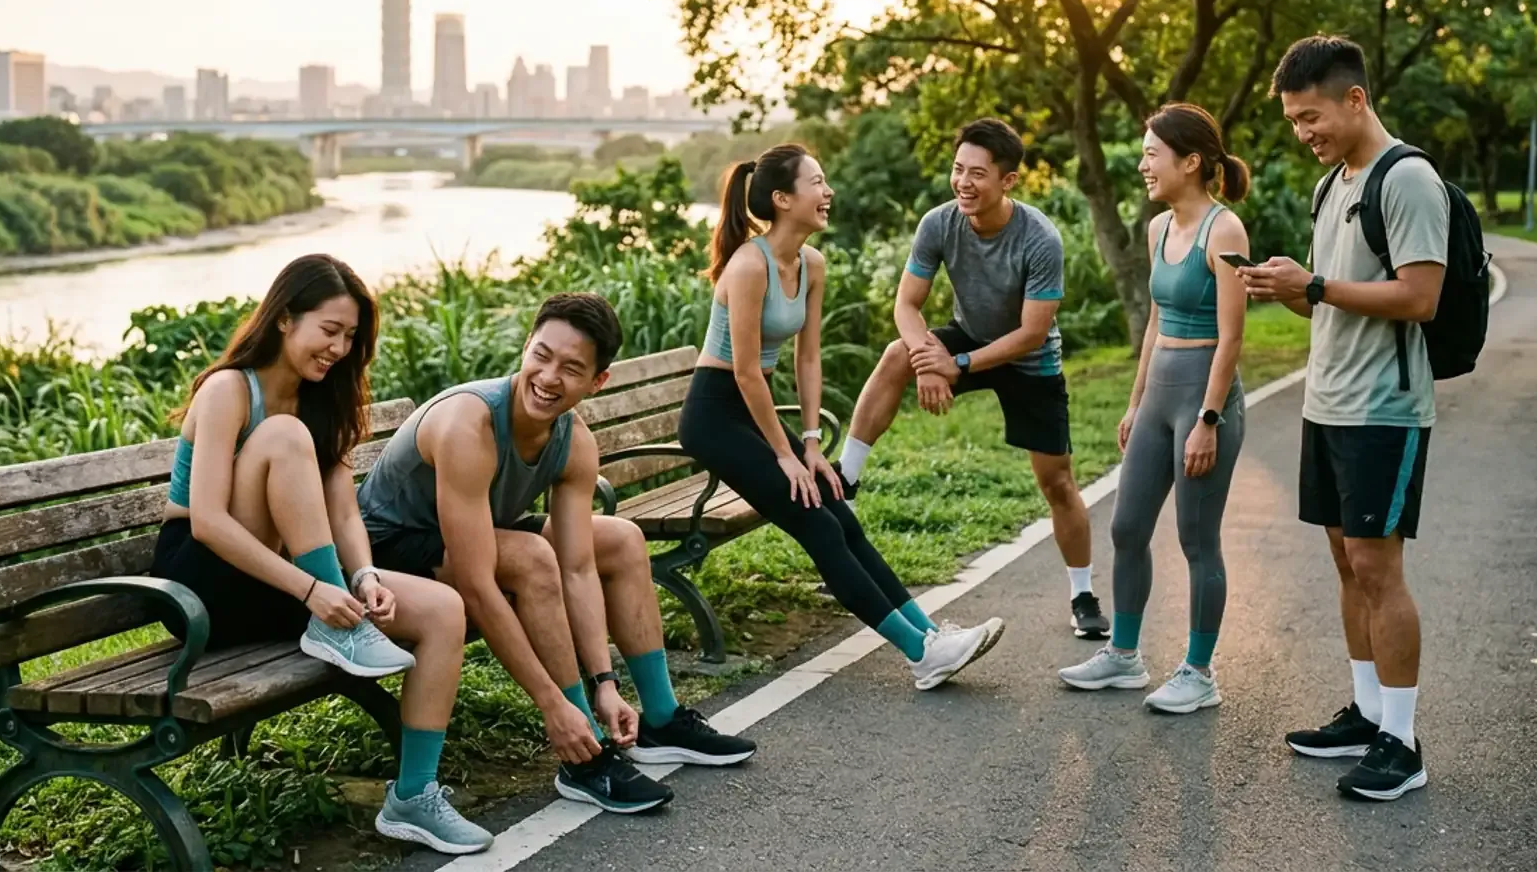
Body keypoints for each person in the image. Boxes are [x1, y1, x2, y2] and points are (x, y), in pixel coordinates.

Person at [354, 292, 757, 816]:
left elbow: (579, 564)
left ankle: (657, 718)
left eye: (571, 368)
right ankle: (584, 751)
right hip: (387, 548)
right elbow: (478, 583)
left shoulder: (574, 441)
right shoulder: (468, 425)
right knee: (529, 557)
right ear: (526, 347)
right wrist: (555, 706)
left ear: (597, 382)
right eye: (541, 356)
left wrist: (605, 683)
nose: (548, 377)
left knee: (619, 538)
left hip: (477, 531)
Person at [153, 254, 492, 855]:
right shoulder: (230, 389)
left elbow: (342, 512)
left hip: (288, 581)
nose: (338, 348)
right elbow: (207, 522)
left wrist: (359, 577)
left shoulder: (322, 400)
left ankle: (413, 797)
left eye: (350, 337)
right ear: (285, 318)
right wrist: (316, 592)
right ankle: (333, 626)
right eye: (328, 330)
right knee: (283, 436)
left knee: (442, 609)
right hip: (201, 586)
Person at [678, 145, 1004, 691]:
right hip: (714, 415)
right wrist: (786, 457)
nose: (828, 193)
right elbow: (744, 373)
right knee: (817, 523)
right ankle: (922, 654)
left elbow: (808, 357)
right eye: (818, 183)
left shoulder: (811, 264)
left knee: (838, 514)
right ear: (783, 199)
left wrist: (810, 443)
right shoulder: (748, 264)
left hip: (751, 411)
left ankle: (929, 635)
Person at [1241, 36, 1447, 802]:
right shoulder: (1336, 183)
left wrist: (1318, 286)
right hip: (1326, 400)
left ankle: (1402, 740)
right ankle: (1365, 715)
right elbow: (1328, 292)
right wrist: (1286, 286)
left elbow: (1419, 297)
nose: (1304, 133)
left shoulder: (1408, 179)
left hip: (1383, 409)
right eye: (1294, 121)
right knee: (1343, 561)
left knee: (1378, 568)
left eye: (1311, 116)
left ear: (1355, 99)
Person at [838, 118, 1111, 640]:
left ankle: (1082, 593)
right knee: (898, 352)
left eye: (978, 174)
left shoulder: (1040, 239)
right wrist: (926, 358)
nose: (963, 182)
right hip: (967, 334)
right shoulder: (940, 223)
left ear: (1007, 181)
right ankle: (846, 479)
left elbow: (1032, 333)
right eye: (958, 169)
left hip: (1030, 362)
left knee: (1056, 482)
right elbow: (907, 304)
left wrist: (955, 366)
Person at [1058, 105, 1251, 715]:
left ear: (1190, 161)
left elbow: (1232, 337)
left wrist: (1209, 420)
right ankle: (1124, 656)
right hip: (1159, 393)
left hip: (1203, 398)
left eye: (1151, 153)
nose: (1142, 164)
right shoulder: (1157, 229)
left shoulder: (1226, 231)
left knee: (1197, 539)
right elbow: (1156, 322)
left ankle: (1199, 671)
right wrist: (1135, 401)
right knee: (1126, 527)